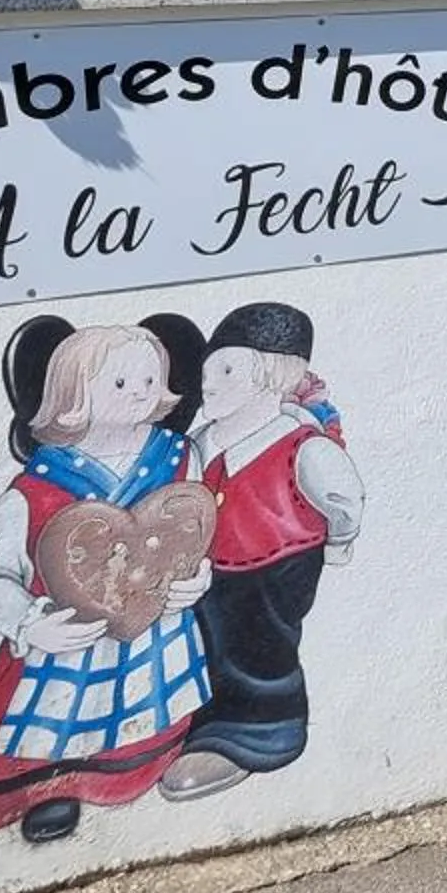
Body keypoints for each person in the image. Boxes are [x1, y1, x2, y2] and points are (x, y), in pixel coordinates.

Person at [0, 317, 214, 843]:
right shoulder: (33, 492)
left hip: (152, 629)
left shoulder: (178, 458)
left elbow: (190, 531)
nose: (139, 396)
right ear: (71, 395)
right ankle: (50, 790)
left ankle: (128, 771)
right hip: (70, 640)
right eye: (120, 384)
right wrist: (31, 623)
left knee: (144, 710)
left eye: (150, 382)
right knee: (54, 726)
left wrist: (194, 578)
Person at [163, 301, 363, 800]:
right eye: (207, 371)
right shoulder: (200, 442)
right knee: (207, 644)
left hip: (275, 566)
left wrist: (334, 548)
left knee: (258, 650)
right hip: (210, 570)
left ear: (274, 374)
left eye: (227, 369)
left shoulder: (303, 445)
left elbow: (343, 502)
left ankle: (262, 732)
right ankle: (203, 724)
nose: (209, 383)